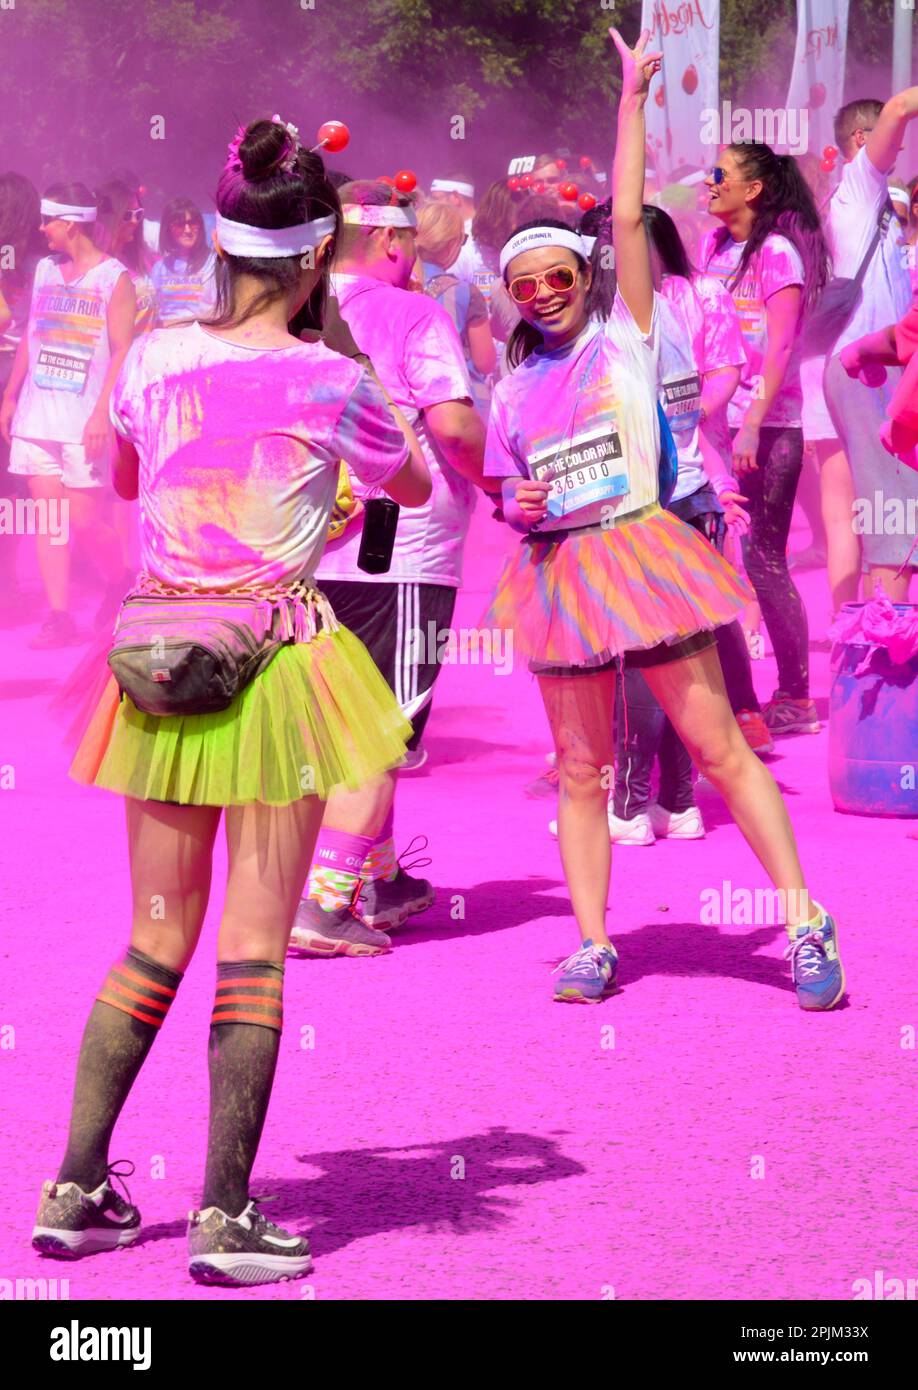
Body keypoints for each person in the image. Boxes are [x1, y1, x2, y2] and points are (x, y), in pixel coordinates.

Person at [30, 117, 431, 1287]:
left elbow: (126, 473)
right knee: (254, 948)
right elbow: (405, 475)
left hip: (157, 662)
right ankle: (224, 1213)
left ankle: (77, 1191)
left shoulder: (153, 353)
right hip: (273, 669)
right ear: (317, 257)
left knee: (155, 932)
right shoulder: (332, 374)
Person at [483, 27, 844, 1011]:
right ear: (512, 296)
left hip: (643, 555)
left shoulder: (627, 333)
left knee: (719, 744)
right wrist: (509, 501)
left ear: (584, 275)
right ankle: (594, 941)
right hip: (558, 573)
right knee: (581, 768)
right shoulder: (512, 385)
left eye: (561, 276)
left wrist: (631, 105)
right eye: (529, 286)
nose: (548, 294)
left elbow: (632, 217)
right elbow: (503, 486)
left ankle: (805, 922)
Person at [287, 178, 486, 958]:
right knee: (382, 734)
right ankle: (325, 902)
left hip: (307, 551)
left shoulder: (294, 312)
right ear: (393, 244)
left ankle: (382, 876)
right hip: (399, 554)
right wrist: (502, 485)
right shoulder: (414, 313)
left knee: (344, 724)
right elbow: (454, 429)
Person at [569, 197, 769, 851]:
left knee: (638, 655)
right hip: (689, 491)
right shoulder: (652, 314)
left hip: (652, 501)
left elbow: (665, 408)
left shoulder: (634, 318)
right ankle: (676, 802)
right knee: (680, 652)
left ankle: (629, 804)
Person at [701, 142, 830, 736]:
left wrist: (752, 420)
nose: (709, 181)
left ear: (751, 190)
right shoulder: (713, 247)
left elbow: (780, 346)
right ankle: (731, 698)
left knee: (762, 558)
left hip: (768, 426)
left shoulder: (778, 253)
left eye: (719, 174)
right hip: (714, 425)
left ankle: (797, 698)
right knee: (717, 558)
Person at [0, 182, 136, 647]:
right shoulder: (44, 270)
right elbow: (32, 337)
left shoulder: (113, 278)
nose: (41, 229)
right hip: (39, 416)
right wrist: (11, 396)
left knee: (83, 521)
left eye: (48, 221)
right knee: (51, 519)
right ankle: (59, 615)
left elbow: (122, 351)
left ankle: (122, 579)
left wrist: (101, 414)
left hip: (84, 421)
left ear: (70, 223)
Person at [822, 90, 918, 605]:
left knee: (889, 509)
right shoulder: (860, 184)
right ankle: (886, 655)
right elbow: (901, 106)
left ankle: (868, 639)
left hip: (875, 365)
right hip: (867, 372)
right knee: (893, 513)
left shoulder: (871, 203)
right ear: (864, 139)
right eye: (891, 143)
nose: (899, 150)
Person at [0, 171, 44, 617]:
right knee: (12, 490)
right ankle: (8, 581)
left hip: (15, 378)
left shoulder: (35, 263)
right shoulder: (37, 261)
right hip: (20, 380)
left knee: (12, 490)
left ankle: (9, 582)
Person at [416, 200, 496, 417]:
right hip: (465, 406)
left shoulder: (393, 285)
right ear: (452, 244)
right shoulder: (466, 293)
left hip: (414, 407)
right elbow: (485, 362)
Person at [151, 197, 218, 325]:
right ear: (168, 229)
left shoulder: (214, 263)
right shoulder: (159, 269)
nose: (187, 230)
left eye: (192, 223)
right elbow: (154, 312)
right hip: (166, 338)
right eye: (179, 225)